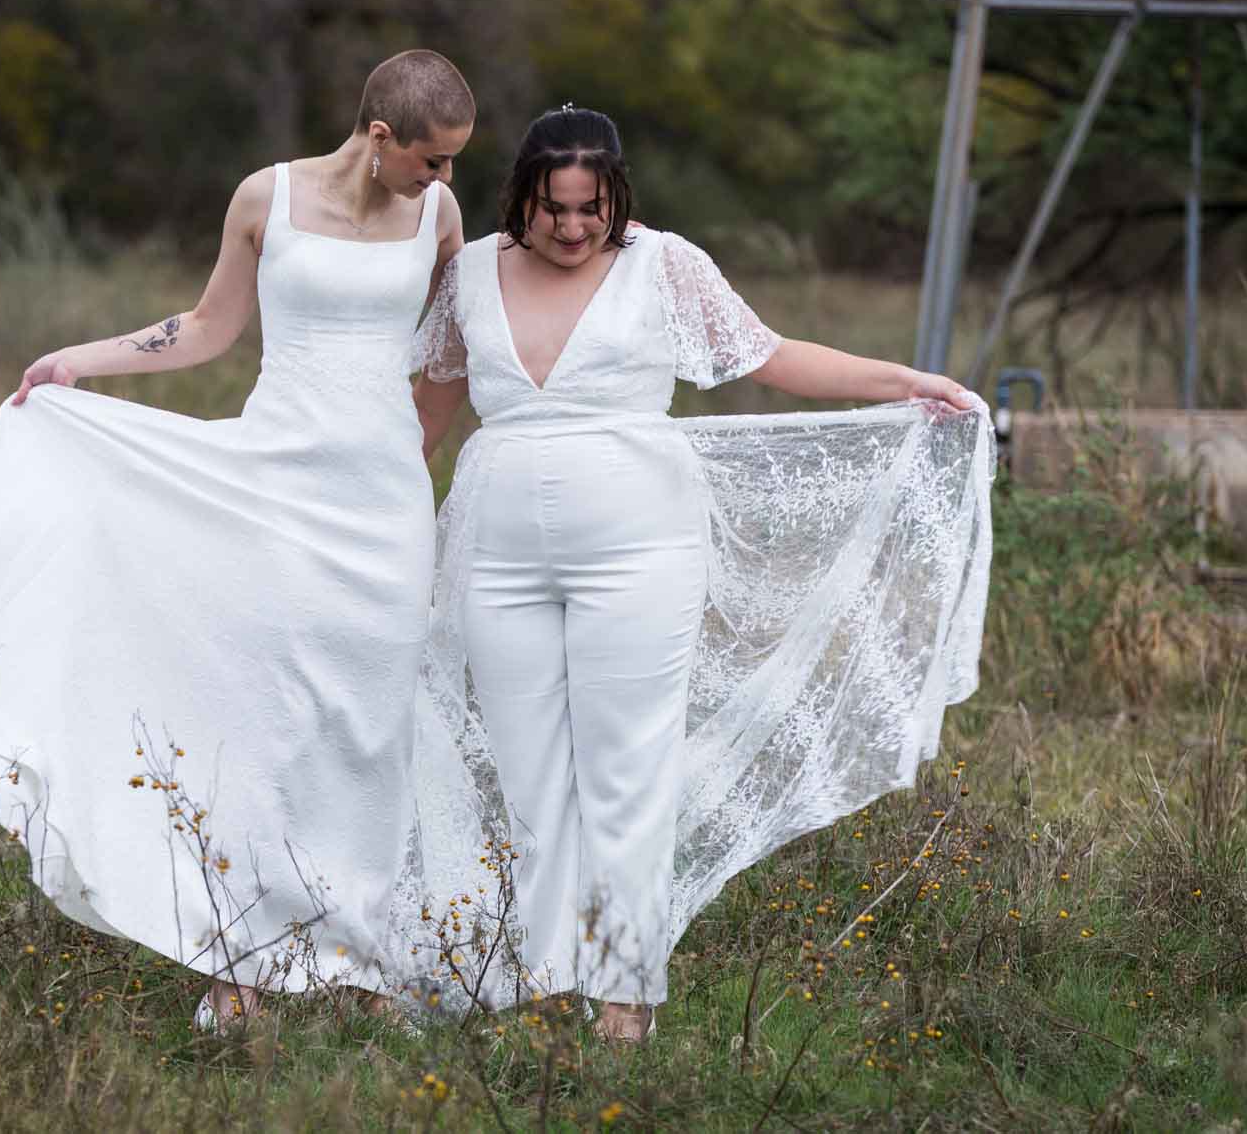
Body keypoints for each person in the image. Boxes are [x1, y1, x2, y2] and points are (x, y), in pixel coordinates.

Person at [0, 50, 474, 1029]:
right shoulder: (267, 198)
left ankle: (361, 960)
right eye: (431, 160)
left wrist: (411, 451)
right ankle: (239, 962)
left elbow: (450, 348)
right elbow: (210, 327)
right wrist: (82, 360)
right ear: (379, 137)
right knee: (264, 716)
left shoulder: (439, 219)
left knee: (371, 723)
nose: (445, 180)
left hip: (379, 502)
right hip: (272, 482)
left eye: (454, 164)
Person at [408, 106, 994, 1041]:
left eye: (590, 208)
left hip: (641, 550)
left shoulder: (663, 263)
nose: (570, 229)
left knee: (626, 764)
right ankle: (548, 970)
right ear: (521, 195)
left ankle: (625, 991)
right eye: (552, 208)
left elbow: (771, 355)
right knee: (527, 771)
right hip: (499, 556)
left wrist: (902, 381)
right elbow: (422, 424)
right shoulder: (470, 272)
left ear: (617, 198)